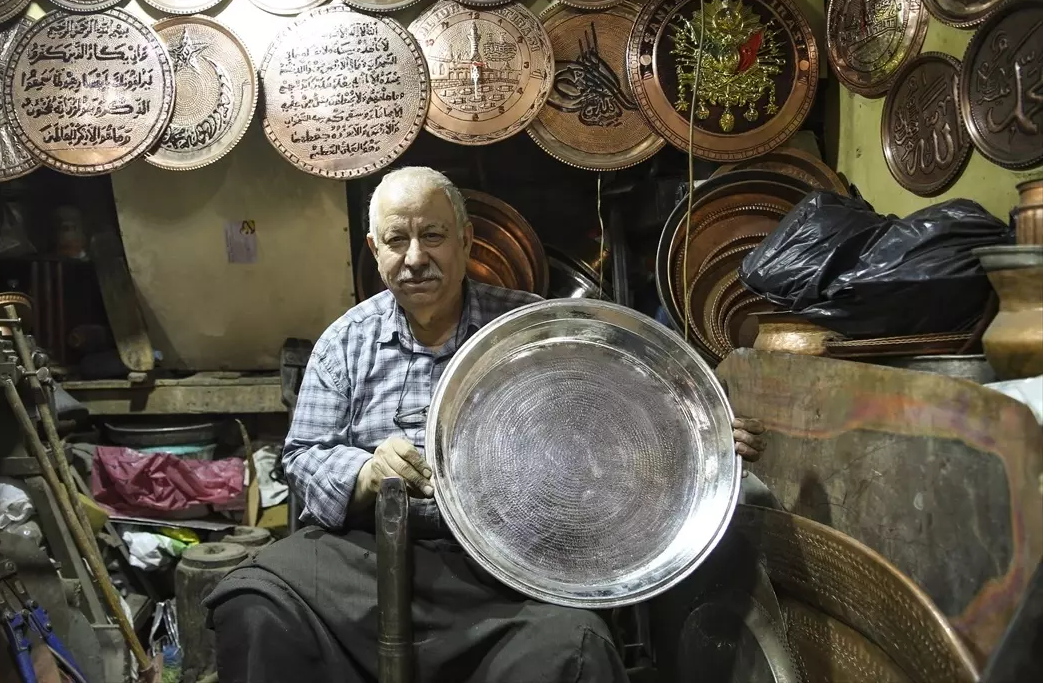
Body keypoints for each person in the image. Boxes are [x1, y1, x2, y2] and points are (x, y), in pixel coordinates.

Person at [205, 167, 767, 683]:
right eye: (397, 240)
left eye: (434, 235)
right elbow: (302, 456)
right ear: (375, 250)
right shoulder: (345, 342)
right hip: (364, 561)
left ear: (467, 240)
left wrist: (696, 439)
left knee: (575, 650)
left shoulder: (529, 329)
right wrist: (366, 470)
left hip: (504, 570)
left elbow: (615, 416)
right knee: (254, 605)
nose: (416, 257)